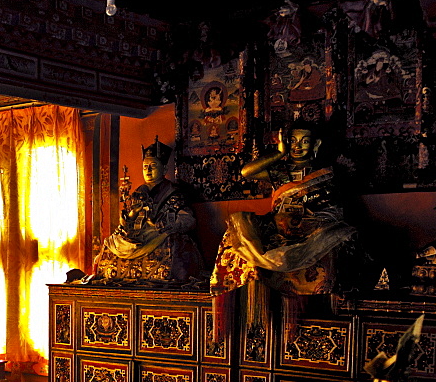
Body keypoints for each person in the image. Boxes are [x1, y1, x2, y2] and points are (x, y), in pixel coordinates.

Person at [210, 122, 360, 302]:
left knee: (343, 239)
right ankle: (252, 297)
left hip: (312, 228)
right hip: (278, 226)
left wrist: (307, 218)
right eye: (293, 141)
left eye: (304, 141)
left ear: (316, 144)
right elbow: (246, 172)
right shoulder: (280, 172)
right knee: (236, 239)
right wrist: (279, 153)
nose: (297, 146)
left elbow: (334, 209)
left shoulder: (326, 173)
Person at [89, 138, 203, 284]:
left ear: (164, 169)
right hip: (138, 235)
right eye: (145, 167)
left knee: (172, 241)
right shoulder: (139, 191)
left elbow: (188, 220)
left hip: (157, 233)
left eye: (153, 166)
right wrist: (131, 215)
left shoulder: (173, 192)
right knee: (111, 241)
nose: (148, 171)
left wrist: (160, 224)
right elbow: (127, 224)